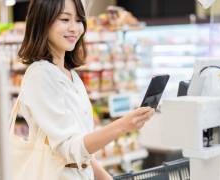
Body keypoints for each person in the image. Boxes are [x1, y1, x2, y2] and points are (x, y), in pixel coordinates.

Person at [12, 0, 155, 179]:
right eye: (65, 20)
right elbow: (70, 148)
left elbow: (83, 151)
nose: (74, 28)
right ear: (42, 21)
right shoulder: (40, 75)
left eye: (79, 20)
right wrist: (123, 125)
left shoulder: (70, 74)